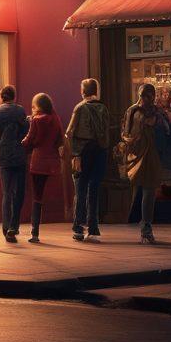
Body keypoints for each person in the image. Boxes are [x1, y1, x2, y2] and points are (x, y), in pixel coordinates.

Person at [121, 83, 170, 245]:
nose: (148, 98)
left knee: (149, 192)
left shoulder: (157, 112)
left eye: (150, 95)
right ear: (140, 95)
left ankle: (146, 227)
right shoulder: (132, 110)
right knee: (139, 191)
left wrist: (156, 122)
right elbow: (125, 132)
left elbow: (166, 130)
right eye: (145, 95)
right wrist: (131, 141)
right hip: (136, 155)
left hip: (153, 155)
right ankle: (139, 222)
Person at [66, 78, 109, 242]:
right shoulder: (103, 108)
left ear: (83, 91)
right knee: (94, 189)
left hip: (82, 152)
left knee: (80, 189)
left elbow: (70, 132)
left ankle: (78, 227)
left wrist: (73, 153)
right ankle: (93, 227)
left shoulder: (80, 107)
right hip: (100, 152)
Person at [0, 85, 29, 243]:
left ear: (2, 97)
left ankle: (6, 228)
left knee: (7, 193)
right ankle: (14, 225)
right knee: (19, 192)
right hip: (19, 154)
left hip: (4, 156)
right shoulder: (20, 111)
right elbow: (26, 130)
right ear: (14, 96)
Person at [21, 92, 64, 243]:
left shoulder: (36, 120)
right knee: (47, 195)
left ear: (38, 106)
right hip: (52, 162)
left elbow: (30, 140)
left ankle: (35, 232)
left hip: (38, 161)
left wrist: (21, 143)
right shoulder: (55, 118)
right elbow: (60, 139)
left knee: (37, 198)